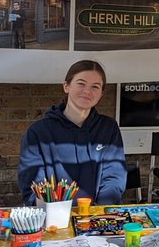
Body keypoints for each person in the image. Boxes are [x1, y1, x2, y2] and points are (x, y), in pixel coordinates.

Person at [18, 60, 126, 206]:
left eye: (95, 86)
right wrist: (55, 214)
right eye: (81, 83)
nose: (87, 91)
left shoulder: (108, 128)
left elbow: (114, 176)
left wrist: (98, 212)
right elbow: (33, 184)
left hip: (97, 218)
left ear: (101, 93)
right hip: (53, 220)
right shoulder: (38, 132)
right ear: (66, 86)